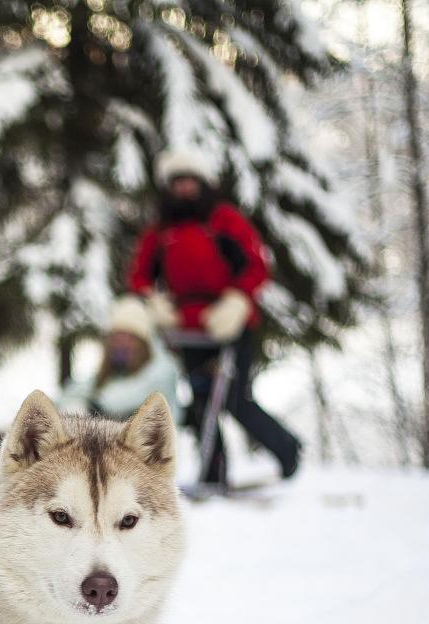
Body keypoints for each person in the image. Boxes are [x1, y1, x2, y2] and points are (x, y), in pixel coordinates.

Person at [128, 147, 301, 485]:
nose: (183, 188)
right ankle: (213, 471)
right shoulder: (160, 231)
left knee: (234, 397)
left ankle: (287, 449)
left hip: (230, 323)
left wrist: (237, 300)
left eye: (189, 181)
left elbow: (256, 265)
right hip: (187, 329)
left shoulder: (224, 220)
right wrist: (154, 302)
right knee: (202, 401)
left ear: (202, 183)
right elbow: (140, 275)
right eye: (177, 182)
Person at [60, 295, 180, 421]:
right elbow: (78, 390)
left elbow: (130, 396)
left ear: (143, 343)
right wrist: (73, 404)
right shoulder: (116, 371)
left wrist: (91, 406)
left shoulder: (163, 368)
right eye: (117, 336)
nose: (121, 343)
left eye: (129, 338)